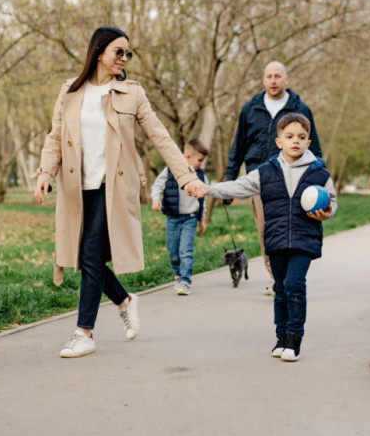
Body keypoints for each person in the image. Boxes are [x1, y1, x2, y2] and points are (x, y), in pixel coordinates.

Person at [34, 27, 208, 358]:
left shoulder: (132, 93)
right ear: (99, 51)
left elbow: (160, 137)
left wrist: (186, 178)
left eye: (127, 53)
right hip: (76, 189)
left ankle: (84, 332)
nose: (123, 58)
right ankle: (124, 300)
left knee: (89, 255)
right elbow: (55, 137)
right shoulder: (70, 91)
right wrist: (45, 173)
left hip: (112, 187)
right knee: (88, 259)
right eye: (118, 51)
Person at [209, 113, 337, 362]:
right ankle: (281, 336)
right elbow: (238, 186)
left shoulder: (319, 172)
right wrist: (209, 189)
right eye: (289, 136)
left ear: (308, 142)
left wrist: (327, 213)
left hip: (304, 239)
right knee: (280, 289)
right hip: (276, 239)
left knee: (294, 286)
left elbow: (332, 202)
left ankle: (294, 338)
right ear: (279, 142)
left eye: (301, 137)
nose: (295, 141)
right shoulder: (265, 172)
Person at [225, 61, 322, 295]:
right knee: (266, 230)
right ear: (263, 80)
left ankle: (291, 277)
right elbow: (238, 146)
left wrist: (318, 178)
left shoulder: (300, 108)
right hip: (261, 179)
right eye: (269, 76)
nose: (274, 80)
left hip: (295, 179)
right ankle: (276, 279)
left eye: (278, 76)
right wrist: (230, 181)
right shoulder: (250, 108)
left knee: (292, 228)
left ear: (286, 80)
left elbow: (315, 146)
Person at [151, 138, 209, 296]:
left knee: (186, 250)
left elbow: (204, 199)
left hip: (190, 218)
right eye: (200, 160)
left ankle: (185, 280)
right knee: (173, 250)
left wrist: (202, 219)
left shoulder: (201, 175)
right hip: (172, 217)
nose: (201, 164)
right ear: (188, 157)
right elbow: (157, 185)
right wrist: (156, 199)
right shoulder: (171, 169)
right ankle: (178, 274)